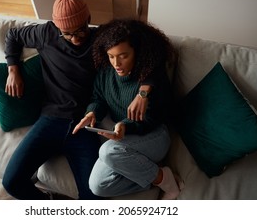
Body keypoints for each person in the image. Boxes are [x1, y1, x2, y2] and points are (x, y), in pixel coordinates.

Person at [2, 0, 151, 200]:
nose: (76, 39)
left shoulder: (101, 37)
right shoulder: (46, 33)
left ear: (88, 18)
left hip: (84, 125)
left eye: (80, 30)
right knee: (11, 182)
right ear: (57, 28)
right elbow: (13, 36)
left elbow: (147, 47)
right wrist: (13, 70)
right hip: (50, 120)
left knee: (93, 197)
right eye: (67, 34)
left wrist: (144, 91)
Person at [73, 19, 182, 199]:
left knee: (108, 150)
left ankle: (168, 181)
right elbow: (98, 98)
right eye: (111, 56)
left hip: (153, 136)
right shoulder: (107, 72)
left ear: (136, 52)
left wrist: (125, 126)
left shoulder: (151, 79)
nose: (117, 63)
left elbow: (150, 120)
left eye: (123, 55)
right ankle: (155, 175)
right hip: (124, 139)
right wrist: (92, 112)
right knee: (97, 186)